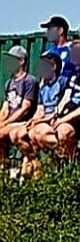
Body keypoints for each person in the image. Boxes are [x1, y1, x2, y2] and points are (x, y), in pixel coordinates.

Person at [26, 38, 80, 165]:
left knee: (63, 132)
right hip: (68, 116)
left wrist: (63, 119)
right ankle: (60, 162)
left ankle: (70, 165)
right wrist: (54, 116)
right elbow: (65, 98)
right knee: (36, 133)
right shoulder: (74, 75)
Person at [9, 51, 65, 176]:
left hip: (54, 120)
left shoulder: (62, 82)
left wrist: (39, 121)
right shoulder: (43, 86)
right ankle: (34, 162)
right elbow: (40, 110)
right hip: (43, 120)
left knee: (35, 134)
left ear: (53, 67)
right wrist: (33, 120)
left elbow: (59, 110)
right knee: (15, 134)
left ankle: (54, 165)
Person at [0, 45, 38, 174]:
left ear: (21, 61)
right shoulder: (9, 83)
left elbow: (25, 108)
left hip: (23, 122)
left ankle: (5, 167)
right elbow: (5, 107)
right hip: (10, 122)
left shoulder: (29, 81)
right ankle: (4, 164)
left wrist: (5, 123)